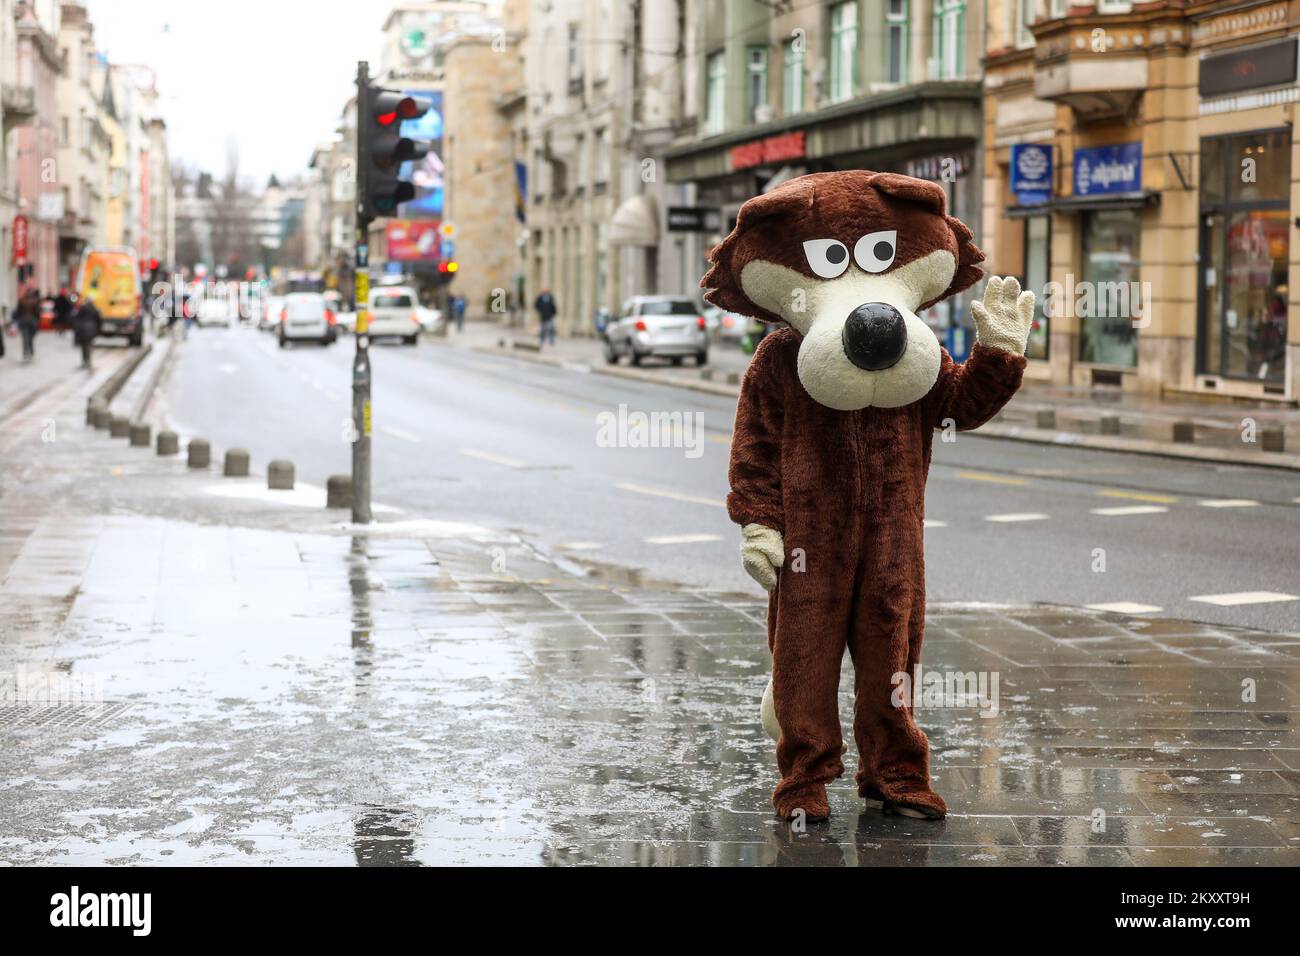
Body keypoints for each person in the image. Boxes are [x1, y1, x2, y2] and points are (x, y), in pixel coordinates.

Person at [72, 294, 101, 370]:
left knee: (83, 346)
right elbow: (98, 321)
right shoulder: (95, 309)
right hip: (91, 329)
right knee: (88, 345)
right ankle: (88, 360)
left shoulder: (82, 308)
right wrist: (97, 330)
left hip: (83, 329)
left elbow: (77, 318)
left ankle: (85, 361)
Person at [14, 287, 40, 362]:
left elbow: (18, 312)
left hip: (24, 321)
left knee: (25, 337)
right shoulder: (35, 301)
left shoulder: (21, 300)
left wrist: (16, 319)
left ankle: (26, 351)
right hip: (32, 322)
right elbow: (37, 313)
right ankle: (30, 350)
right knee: (30, 338)